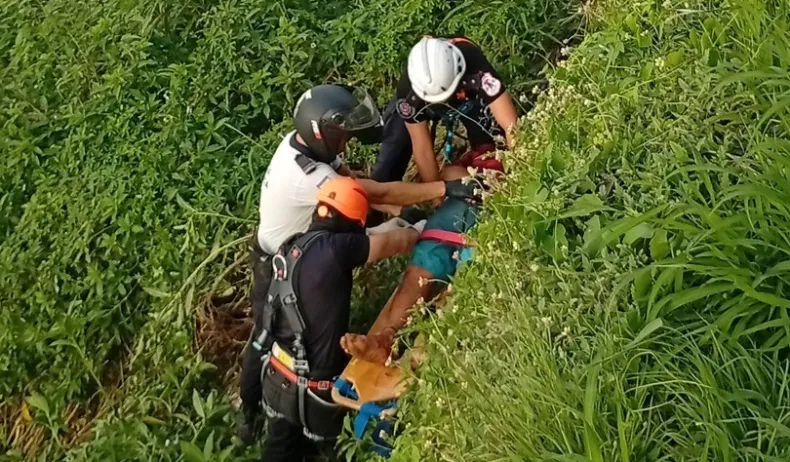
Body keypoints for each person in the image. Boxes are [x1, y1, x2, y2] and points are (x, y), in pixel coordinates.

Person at [239, 83, 479, 443]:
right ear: (324, 133)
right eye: (342, 138)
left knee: (290, 336)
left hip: (306, 248)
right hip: (282, 264)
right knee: (268, 339)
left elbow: (357, 189)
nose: (345, 146)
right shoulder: (310, 178)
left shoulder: (304, 143)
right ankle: (254, 414)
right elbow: (374, 196)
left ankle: (375, 343)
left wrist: (406, 215)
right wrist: (443, 194)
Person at [254, 176, 425, 461]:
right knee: (341, 453)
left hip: (276, 377)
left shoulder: (292, 245)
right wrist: (419, 229)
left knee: (280, 451)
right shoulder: (338, 248)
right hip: (318, 393)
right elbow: (397, 242)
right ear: (355, 222)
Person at [341, 149, 505, 365]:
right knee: (420, 269)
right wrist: (470, 179)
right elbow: (447, 174)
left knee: (469, 272)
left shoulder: (517, 142)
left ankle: (436, 343)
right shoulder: (476, 152)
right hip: (458, 203)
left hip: (500, 204)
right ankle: (387, 339)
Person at [371, 35, 519, 187]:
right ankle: (380, 196)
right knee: (395, 147)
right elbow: (422, 150)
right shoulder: (408, 95)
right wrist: (437, 196)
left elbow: (511, 125)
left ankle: (485, 164)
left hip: (468, 93)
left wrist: (520, 172)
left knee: (489, 139)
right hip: (421, 101)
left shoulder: (474, 65)